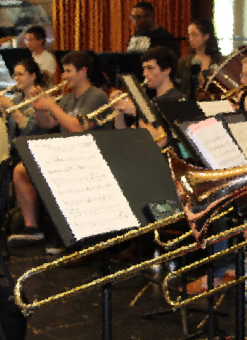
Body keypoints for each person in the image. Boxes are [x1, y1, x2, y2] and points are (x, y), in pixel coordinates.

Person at [7, 51, 109, 248]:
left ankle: (67, 234)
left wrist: (52, 105)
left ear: (83, 71)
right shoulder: (69, 98)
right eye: (64, 72)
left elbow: (78, 127)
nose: (64, 77)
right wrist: (38, 107)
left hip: (89, 155)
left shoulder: (96, 96)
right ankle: (32, 228)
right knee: (21, 169)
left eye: (69, 71)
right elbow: (47, 124)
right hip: (67, 154)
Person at [113, 46, 184, 148]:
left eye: (150, 68)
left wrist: (137, 111)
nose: (144, 74)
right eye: (144, 69)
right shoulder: (151, 101)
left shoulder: (176, 101)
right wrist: (119, 111)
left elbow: (160, 142)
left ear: (167, 70)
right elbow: (126, 138)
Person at [0, 58, 51, 145]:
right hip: (15, 149)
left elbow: (29, 129)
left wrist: (11, 107)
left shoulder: (43, 99)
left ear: (33, 76)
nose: (16, 78)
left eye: (20, 74)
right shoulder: (18, 98)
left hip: (35, 147)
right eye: (15, 75)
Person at [177, 18, 222, 100]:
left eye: (194, 35)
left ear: (206, 36)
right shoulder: (184, 62)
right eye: (189, 35)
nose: (190, 39)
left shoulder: (219, 60)